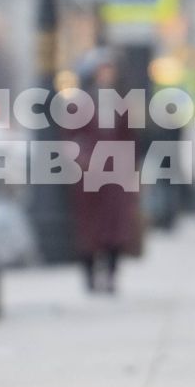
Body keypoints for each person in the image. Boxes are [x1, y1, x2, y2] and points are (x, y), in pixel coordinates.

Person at [66, 56, 140, 293]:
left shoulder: (122, 104)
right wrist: (82, 159)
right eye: (102, 70)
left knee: (116, 227)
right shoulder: (79, 104)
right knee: (89, 229)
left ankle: (111, 275)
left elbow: (130, 138)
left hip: (116, 174)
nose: (107, 76)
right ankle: (89, 274)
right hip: (89, 176)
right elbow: (69, 138)